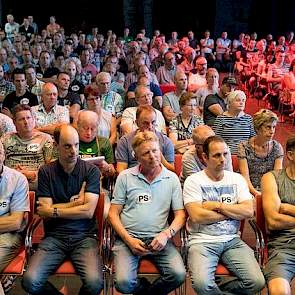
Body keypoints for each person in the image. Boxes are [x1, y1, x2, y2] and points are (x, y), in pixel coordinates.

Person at [22, 124, 104, 295]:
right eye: (67, 146)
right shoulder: (46, 172)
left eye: (76, 145)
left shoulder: (91, 171)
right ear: (56, 146)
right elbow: (43, 211)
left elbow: (88, 211)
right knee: (30, 282)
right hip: (54, 237)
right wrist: (75, 204)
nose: (73, 151)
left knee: (95, 283)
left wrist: (54, 210)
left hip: (84, 237)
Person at [183, 135, 265, 295]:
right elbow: (197, 216)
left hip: (232, 240)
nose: (223, 159)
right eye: (217, 155)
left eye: (226, 154)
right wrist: (233, 211)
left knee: (257, 282)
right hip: (201, 241)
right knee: (202, 285)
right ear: (205, 157)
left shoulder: (237, 179)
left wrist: (217, 206)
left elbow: (248, 211)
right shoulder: (193, 181)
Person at [108, 130, 186, 295]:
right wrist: (129, 240)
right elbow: (113, 214)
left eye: (155, 150)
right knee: (123, 284)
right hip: (128, 239)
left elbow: (180, 215)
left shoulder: (171, 179)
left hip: (160, 239)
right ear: (136, 156)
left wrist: (166, 235)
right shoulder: (125, 177)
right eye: (146, 153)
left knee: (178, 274)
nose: (152, 156)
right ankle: (142, 288)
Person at [261, 136, 295, 295]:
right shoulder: (272, 178)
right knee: (279, 291)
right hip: (284, 246)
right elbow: (273, 221)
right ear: (290, 155)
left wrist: (287, 208)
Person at [0, 141, 30, 294]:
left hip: (8, 236)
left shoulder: (17, 179)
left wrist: (9, 222)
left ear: (4, 155)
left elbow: (15, 222)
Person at [1, 104, 53, 191]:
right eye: (21, 119)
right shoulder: (5, 139)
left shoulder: (45, 139)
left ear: (33, 119)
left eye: (28, 118)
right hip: (10, 181)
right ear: (14, 123)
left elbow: (51, 167)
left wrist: (32, 174)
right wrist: (14, 173)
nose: (26, 122)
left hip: (37, 182)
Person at [116, 105, 175, 173]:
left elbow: (171, 171)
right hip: (133, 179)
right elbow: (121, 169)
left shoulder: (166, 141)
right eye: (145, 123)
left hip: (159, 179)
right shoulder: (125, 141)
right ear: (137, 123)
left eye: (153, 122)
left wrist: (158, 156)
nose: (150, 127)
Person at [238, 109, 284, 197]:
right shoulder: (244, 147)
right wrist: (256, 194)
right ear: (258, 128)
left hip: (270, 189)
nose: (272, 131)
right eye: (268, 127)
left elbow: (277, 178)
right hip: (248, 189)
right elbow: (245, 178)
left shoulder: (277, 147)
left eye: (274, 127)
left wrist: (268, 194)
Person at [213, 90, 256, 155]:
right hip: (226, 155)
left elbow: (253, 138)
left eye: (243, 100)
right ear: (229, 102)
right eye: (238, 100)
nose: (241, 103)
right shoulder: (221, 118)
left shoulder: (248, 118)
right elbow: (216, 140)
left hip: (245, 155)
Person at [77, 110, 115, 178]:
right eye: (85, 128)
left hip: (97, 183)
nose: (89, 133)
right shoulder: (70, 140)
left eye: (92, 129)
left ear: (97, 127)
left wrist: (107, 168)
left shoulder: (104, 142)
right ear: (78, 125)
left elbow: (113, 173)